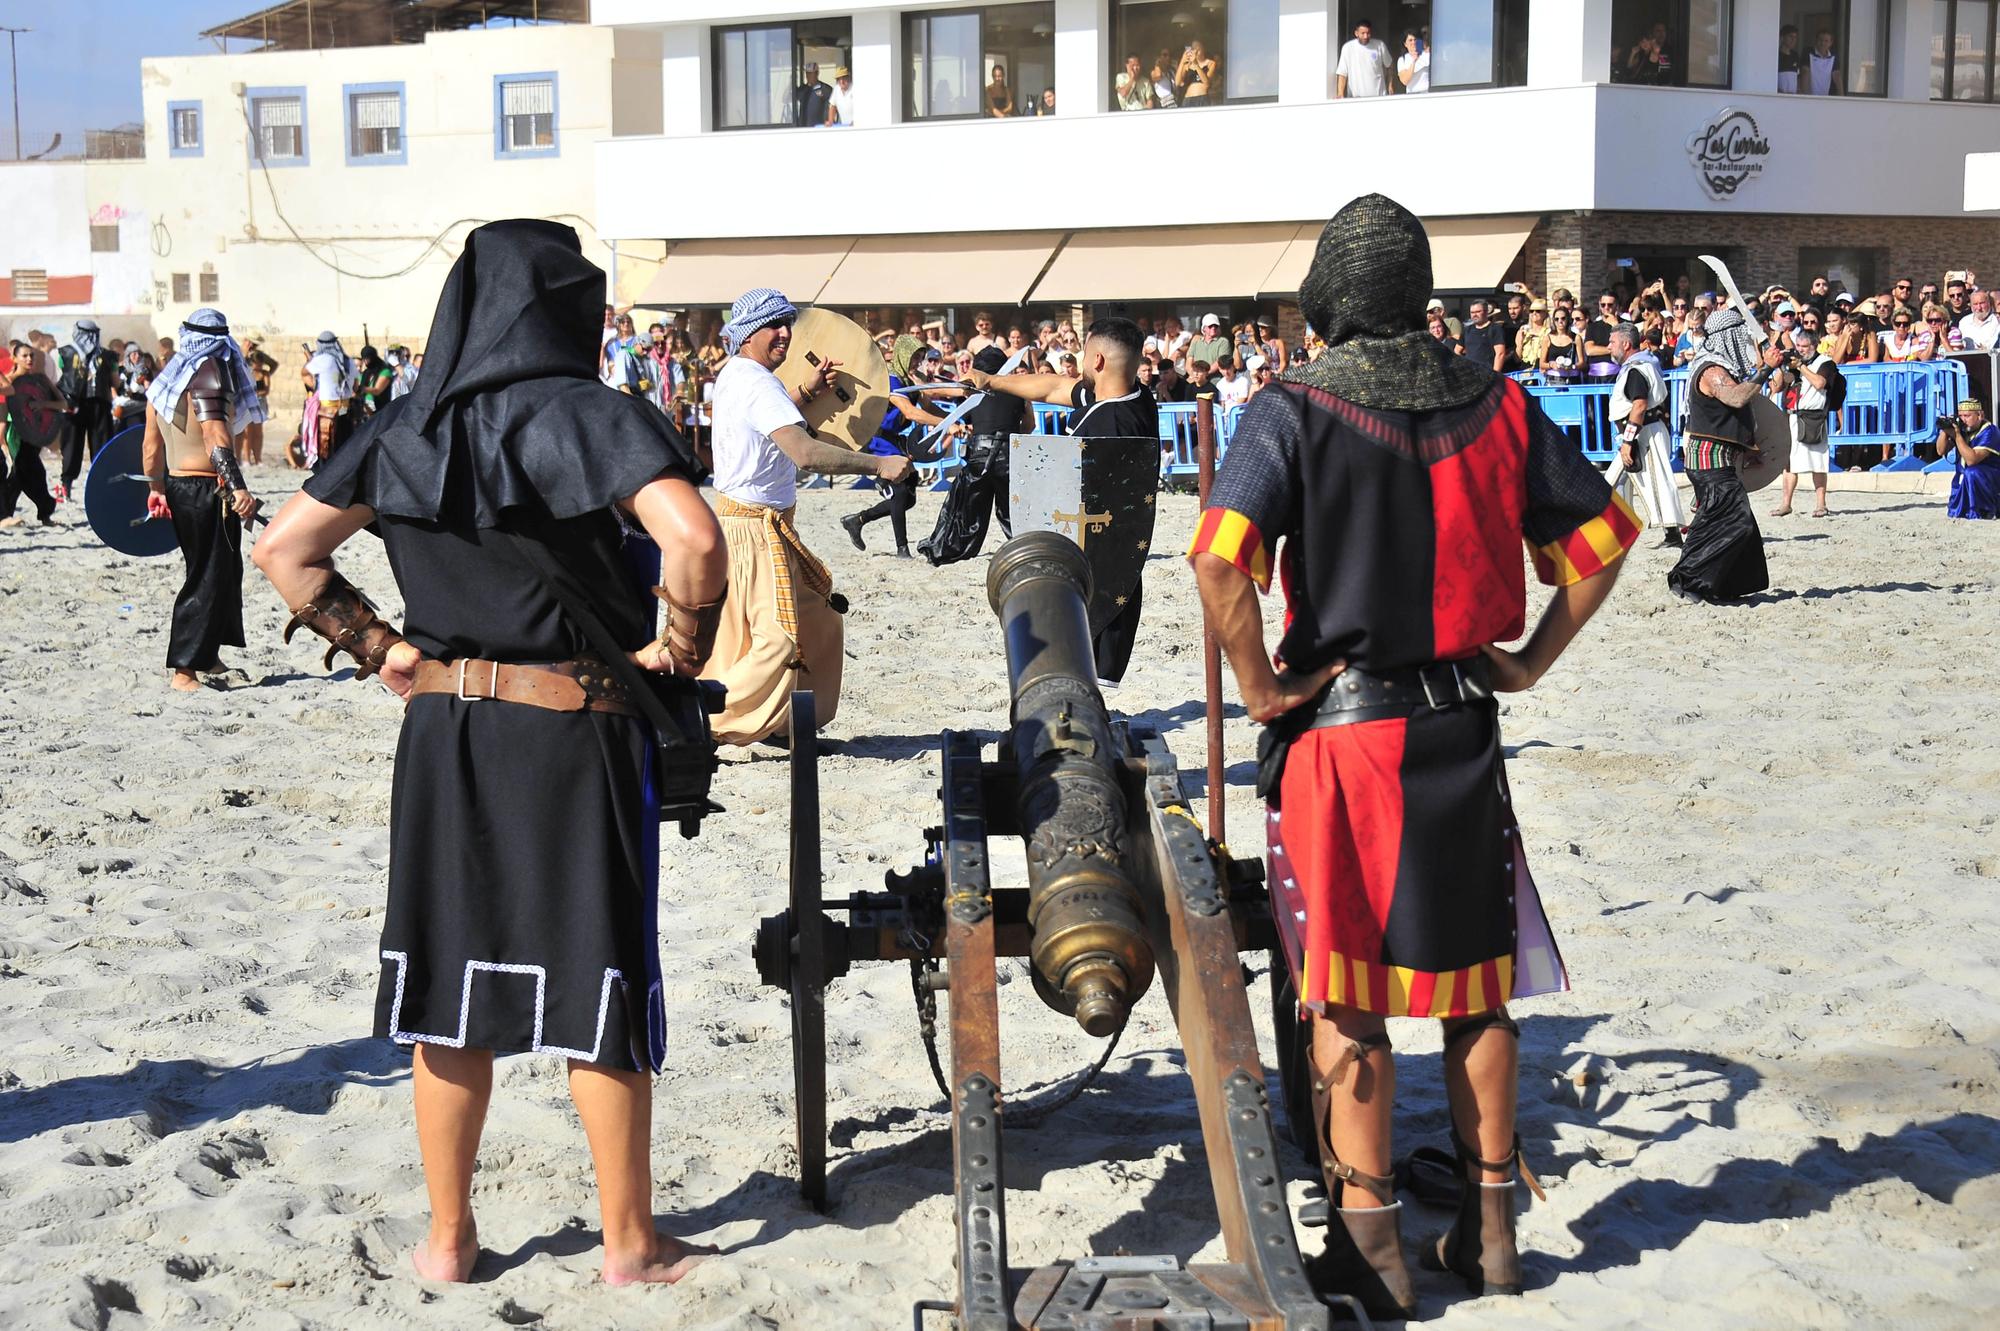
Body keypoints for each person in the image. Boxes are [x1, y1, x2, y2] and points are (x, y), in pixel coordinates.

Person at [252, 220, 725, 1287]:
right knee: (596, 977)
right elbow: (694, 541)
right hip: (575, 725)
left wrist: (379, 647)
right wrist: (678, 647)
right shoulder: (591, 414)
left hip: (447, 729)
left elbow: (284, 549)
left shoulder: (397, 429)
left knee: (449, 985)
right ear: (562, 308)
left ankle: (450, 1238)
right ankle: (627, 1243)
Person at [1188, 195, 1635, 1321]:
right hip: (1458, 728)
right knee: (1476, 993)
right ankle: (1490, 1236)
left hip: (1344, 741)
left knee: (1343, 997)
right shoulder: (1497, 401)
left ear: (1333, 297)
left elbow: (1218, 561)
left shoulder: (1292, 406)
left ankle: (1373, 1245)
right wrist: (1528, 659)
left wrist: (1256, 684)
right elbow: (1598, 541)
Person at [701, 288, 912, 745]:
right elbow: (804, 453)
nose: (783, 334)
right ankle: (706, 722)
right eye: (772, 325)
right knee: (777, 641)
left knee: (815, 619)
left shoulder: (741, 375)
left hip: (752, 524)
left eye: (787, 324)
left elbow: (770, 421)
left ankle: (788, 722)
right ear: (746, 333)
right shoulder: (758, 382)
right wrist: (880, 464)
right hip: (756, 529)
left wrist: (806, 391)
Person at [961, 316, 1157, 683]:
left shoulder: (1106, 427)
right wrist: (992, 382)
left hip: (1096, 569)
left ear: (1097, 361)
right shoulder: (1136, 398)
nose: (1081, 365)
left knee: (1078, 673)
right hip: (1118, 569)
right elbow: (1053, 387)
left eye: (1085, 356)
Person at [140, 309, 268, 692]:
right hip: (207, 489)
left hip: (179, 486)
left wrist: (155, 488)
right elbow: (216, 436)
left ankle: (207, 654)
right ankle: (184, 669)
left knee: (222, 572)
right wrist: (237, 486)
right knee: (206, 577)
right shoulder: (209, 374)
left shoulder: (166, 381)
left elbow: (150, 446)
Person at [1669, 307, 1785, 603]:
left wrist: (1750, 449)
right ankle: (1686, 580)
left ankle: (1721, 585)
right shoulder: (1711, 369)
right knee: (1734, 521)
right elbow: (1735, 398)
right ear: (1727, 336)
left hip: (1721, 458)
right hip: (1709, 460)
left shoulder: (1721, 368)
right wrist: (1765, 369)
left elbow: (1737, 415)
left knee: (1721, 521)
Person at [843, 337, 956, 556]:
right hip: (878, 440)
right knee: (899, 491)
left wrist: (954, 419)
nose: (918, 361)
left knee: (909, 497)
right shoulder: (892, 380)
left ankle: (857, 520)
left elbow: (928, 405)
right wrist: (946, 426)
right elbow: (910, 413)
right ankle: (902, 549)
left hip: (893, 439)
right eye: (915, 357)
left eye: (920, 358)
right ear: (904, 354)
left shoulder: (910, 379)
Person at [921, 345, 1026, 566]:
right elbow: (1030, 425)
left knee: (969, 509)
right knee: (1012, 510)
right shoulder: (1019, 391)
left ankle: (951, 550)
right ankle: (1023, 549)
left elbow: (965, 415)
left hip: (978, 453)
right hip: (1009, 454)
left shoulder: (972, 393)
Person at [1608, 323, 1685, 543]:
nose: (1609, 347)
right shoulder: (1640, 365)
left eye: (1612, 342)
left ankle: (1672, 535)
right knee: (1615, 481)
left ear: (1625, 343)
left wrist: (1628, 441)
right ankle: (1619, 530)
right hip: (1642, 432)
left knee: (1656, 481)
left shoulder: (1636, 369)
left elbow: (1640, 406)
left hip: (1644, 433)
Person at [1772, 325, 1835, 519]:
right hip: (1792, 415)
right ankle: (1786, 503)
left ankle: (1821, 503)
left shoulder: (1826, 363)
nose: (1801, 349)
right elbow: (1777, 387)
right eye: (1798, 345)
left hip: (1814, 417)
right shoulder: (1795, 364)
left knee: (1818, 462)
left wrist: (1800, 367)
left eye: (1805, 346)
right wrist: (1782, 367)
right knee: (1789, 463)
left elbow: (1820, 383)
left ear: (1814, 345)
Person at [57, 319, 118, 502]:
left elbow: (64, 373)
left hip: (78, 403)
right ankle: (101, 486)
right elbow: (115, 382)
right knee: (95, 445)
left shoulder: (65, 352)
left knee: (74, 446)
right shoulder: (108, 356)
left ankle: (66, 485)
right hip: (91, 404)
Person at [303, 331, 357, 465]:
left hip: (327, 409)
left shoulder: (323, 359)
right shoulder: (348, 360)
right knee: (344, 443)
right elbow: (355, 384)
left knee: (326, 446)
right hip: (346, 407)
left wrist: (315, 384)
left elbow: (304, 372)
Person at [1942, 398, 2000, 519]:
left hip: (1988, 478)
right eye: (1961, 416)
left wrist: (1957, 436)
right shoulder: (1963, 429)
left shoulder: (1990, 431)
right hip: (1964, 478)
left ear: (1980, 415)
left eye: (1967, 416)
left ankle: (1984, 510)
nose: (1963, 420)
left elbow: (1972, 460)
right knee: (1967, 474)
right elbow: (1940, 450)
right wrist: (1945, 431)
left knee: (1972, 472)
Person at [241, 338, 277, 464]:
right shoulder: (246, 367)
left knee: (258, 432)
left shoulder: (264, 372)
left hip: (260, 403)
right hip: (248, 404)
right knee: (247, 432)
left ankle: (258, 458)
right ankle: (246, 458)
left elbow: (266, 389)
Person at [1336, 19, 1390, 98]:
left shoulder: (1380, 45)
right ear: (1356, 33)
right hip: (1356, 98)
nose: (1365, 36)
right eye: (1363, 33)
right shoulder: (1347, 48)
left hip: (1379, 97)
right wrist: (1340, 93)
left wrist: (1390, 85)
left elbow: (1389, 65)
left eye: (1368, 33)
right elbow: (1342, 73)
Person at [356, 345, 396, 417]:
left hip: (381, 408)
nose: (366, 362)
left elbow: (377, 391)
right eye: (364, 359)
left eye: (368, 358)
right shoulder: (366, 373)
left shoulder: (385, 371)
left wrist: (361, 388)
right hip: (366, 408)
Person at [1176, 39, 1218, 106]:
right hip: (1188, 99)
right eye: (1193, 48)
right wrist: (1182, 61)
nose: (1196, 51)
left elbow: (1207, 83)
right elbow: (1178, 82)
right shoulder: (1187, 65)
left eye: (1198, 48)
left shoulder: (1211, 63)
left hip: (1202, 97)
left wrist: (1196, 65)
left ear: (1203, 48)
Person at [794, 62, 832, 128]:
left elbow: (832, 106)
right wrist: (791, 81)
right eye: (807, 73)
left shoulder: (825, 88)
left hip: (820, 127)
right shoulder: (802, 89)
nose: (808, 76)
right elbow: (785, 99)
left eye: (811, 73)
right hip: (804, 127)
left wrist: (829, 120)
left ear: (817, 73)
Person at [1805, 29, 1842, 95]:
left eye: (1826, 41)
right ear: (1816, 40)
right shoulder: (1808, 52)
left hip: (1827, 98)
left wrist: (1842, 97)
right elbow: (1805, 72)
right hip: (1810, 97)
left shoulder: (1834, 56)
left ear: (1831, 43)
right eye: (1820, 40)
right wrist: (1804, 96)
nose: (1823, 43)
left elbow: (1837, 76)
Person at [1777, 24, 1803, 93]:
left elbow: (1798, 76)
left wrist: (1798, 91)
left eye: (1795, 37)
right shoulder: (1776, 55)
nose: (1793, 40)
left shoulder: (1795, 55)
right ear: (1782, 38)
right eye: (1790, 36)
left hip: (1793, 98)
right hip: (1778, 97)